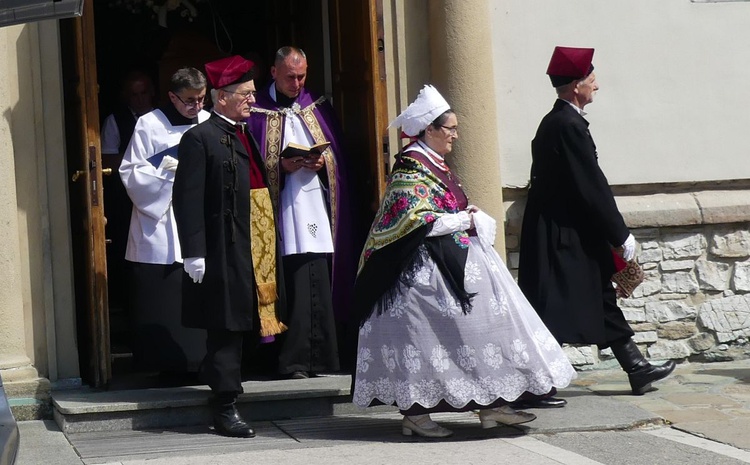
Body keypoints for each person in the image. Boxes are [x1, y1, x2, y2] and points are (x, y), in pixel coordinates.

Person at [351, 85, 576, 438]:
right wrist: (462, 220)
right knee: (429, 340)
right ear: (430, 130)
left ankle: (492, 405)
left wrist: (465, 213)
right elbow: (413, 219)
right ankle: (416, 413)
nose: (455, 134)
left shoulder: (435, 164)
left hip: (453, 265)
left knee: (487, 328)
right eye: (450, 128)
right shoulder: (410, 167)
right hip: (420, 277)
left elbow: (443, 207)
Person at [518, 46, 676, 397]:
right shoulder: (567, 125)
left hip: (567, 231)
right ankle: (533, 382)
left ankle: (636, 368)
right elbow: (591, 185)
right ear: (576, 85)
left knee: (599, 295)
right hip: (561, 234)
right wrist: (620, 235)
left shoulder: (560, 122)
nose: (597, 85)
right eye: (592, 79)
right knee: (552, 307)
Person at [173, 55, 287, 438]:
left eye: (253, 93)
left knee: (245, 321)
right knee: (226, 325)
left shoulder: (243, 132)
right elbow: (187, 198)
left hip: (254, 243)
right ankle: (224, 406)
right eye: (245, 94)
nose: (252, 100)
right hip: (223, 247)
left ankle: (229, 388)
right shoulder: (198, 138)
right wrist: (194, 250)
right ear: (221, 97)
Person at [247, 46, 357, 379]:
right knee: (290, 281)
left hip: (317, 208)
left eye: (302, 76)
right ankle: (289, 360)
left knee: (319, 276)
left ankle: (322, 359)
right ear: (273, 72)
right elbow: (251, 164)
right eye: (290, 76)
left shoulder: (317, 108)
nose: (297, 83)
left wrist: (324, 163)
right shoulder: (255, 111)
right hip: (280, 213)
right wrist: (280, 166)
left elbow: (340, 158)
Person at [119, 67, 210, 376]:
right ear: (172, 97)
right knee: (163, 297)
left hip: (197, 219)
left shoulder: (209, 122)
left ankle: (199, 362)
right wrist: (165, 174)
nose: (196, 106)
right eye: (188, 101)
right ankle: (159, 366)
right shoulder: (149, 124)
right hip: (159, 219)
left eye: (200, 99)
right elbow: (130, 171)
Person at [101, 70, 155, 320]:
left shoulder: (162, 117)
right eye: (134, 95)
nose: (140, 100)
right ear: (126, 96)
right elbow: (107, 158)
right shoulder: (115, 120)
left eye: (144, 93)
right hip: (125, 198)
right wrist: (142, 163)